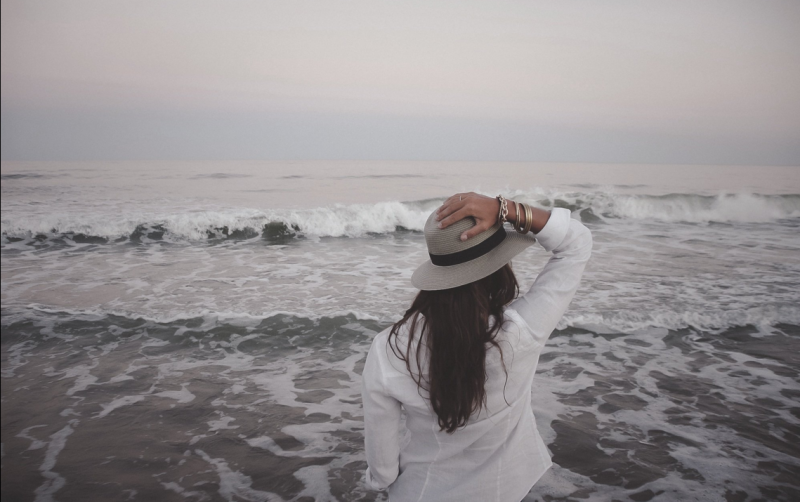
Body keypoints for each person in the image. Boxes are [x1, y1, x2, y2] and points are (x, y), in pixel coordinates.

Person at [361, 192, 592, 502]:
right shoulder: (523, 329)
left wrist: (377, 482)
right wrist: (505, 209)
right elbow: (576, 243)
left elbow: (383, 470)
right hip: (504, 490)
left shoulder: (389, 348)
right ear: (499, 267)